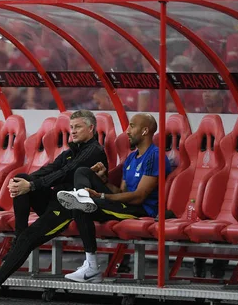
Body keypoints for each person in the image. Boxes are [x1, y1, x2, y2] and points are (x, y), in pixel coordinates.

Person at [0, 110, 108, 301]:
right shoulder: (71, 151)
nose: (72, 131)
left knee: (29, 237)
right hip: (54, 199)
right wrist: (25, 183)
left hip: (69, 208)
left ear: (91, 128)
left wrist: (32, 186)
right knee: (21, 178)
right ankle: (18, 237)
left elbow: (64, 172)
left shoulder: (94, 151)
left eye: (78, 127)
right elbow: (50, 169)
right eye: (71, 127)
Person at [56, 113, 171, 282]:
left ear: (145, 130)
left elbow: (139, 197)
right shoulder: (132, 157)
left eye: (132, 126)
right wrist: (103, 180)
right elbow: (120, 192)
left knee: (80, 205)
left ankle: (92, 267)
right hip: (122, 204)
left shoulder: (155, 156)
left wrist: (103, 195)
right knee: (83, 173)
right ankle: (90, 264)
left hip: (139, 210)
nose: (127, 131)